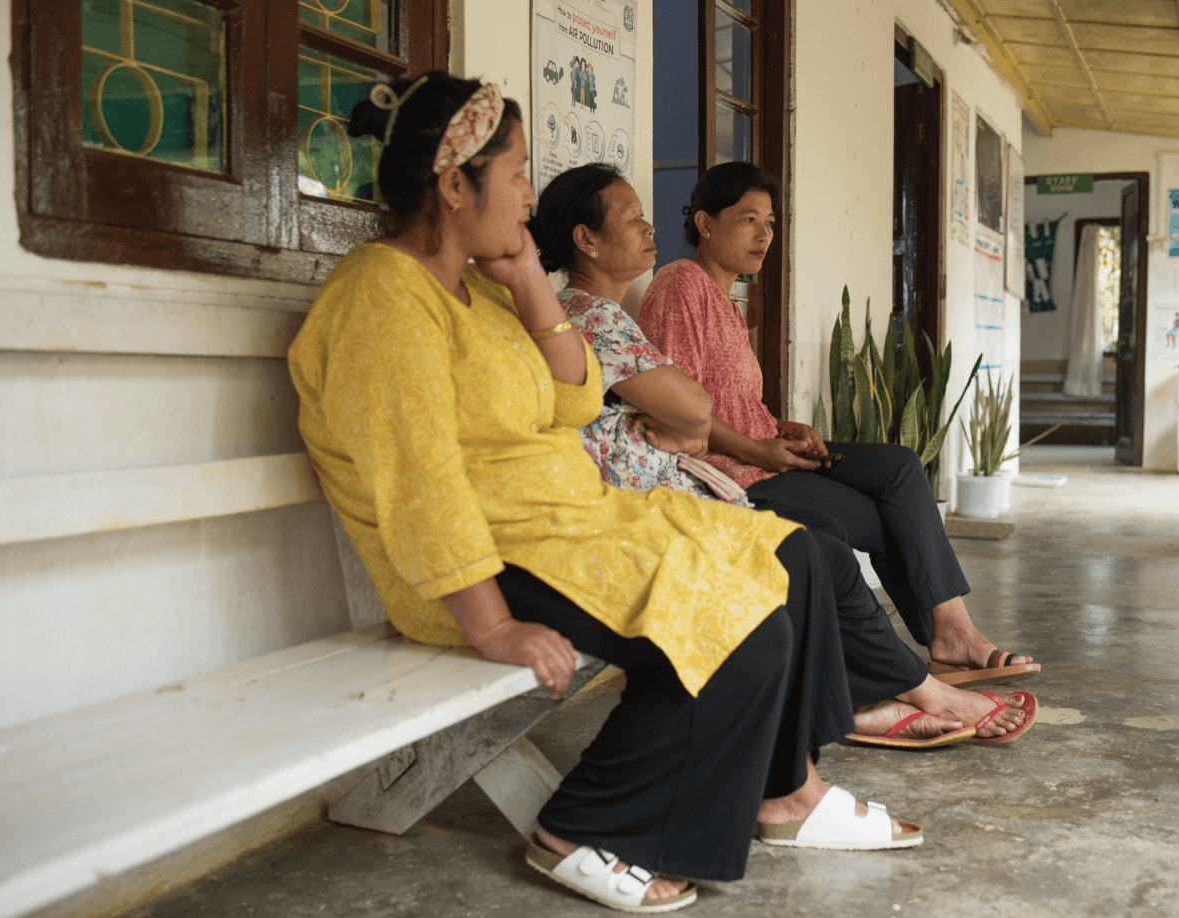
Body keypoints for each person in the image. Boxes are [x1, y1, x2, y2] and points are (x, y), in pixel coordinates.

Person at [288, 73, 923, 915]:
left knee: (795, 557)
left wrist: (527, 286)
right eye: (515, 175)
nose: (526, 198)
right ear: (452, 185)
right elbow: (420, 482)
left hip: (570, 528)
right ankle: (586, 826)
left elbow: (576, 399)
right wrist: (494, 624)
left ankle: (785, 790)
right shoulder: (381, 299)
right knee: (743, 627)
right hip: (488, 563)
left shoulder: (479, 292)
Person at [531, 163, 1035, 746]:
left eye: (770, 222)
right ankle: (910, 679)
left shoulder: (667, 306)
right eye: (750, 220)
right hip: (717, 476)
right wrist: (739, 443)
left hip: (715, 467)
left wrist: (770, 429)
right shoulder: (651, 296)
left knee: (893, 472)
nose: (765, 234)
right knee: (840, 536)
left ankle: (927, 658)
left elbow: (696, 407)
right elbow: (691, 410)